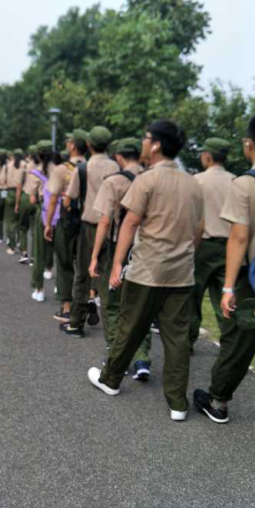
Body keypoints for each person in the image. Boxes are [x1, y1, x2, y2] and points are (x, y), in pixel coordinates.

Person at [194, 113, 255, 470]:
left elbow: (238, 238)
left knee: (238, 345)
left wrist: (227, 287)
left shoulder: (245, 183)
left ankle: (218, 402)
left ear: (248, 144)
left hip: (254, 282)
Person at [88, 120, 204, 422]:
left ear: (156, 146)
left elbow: (130, 222)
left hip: (147, 271)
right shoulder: (193, 183)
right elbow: (199, 229)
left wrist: (117, 262)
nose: (142, 142)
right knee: (177, 339)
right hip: (181, 273)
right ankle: (178, 403)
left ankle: (111, 379)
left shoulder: (147, 180)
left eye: (146, 137)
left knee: (130, 327)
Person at [89, 138, 152, 380]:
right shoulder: (152, 179)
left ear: (118, 157)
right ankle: (142, 358)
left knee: (113, 303)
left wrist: (94, 256)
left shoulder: (113, 182)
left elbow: (104, 221)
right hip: (146, 247)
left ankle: (118, 357)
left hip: (118, 247)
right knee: (140, 306)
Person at [60, 126, 119, 337]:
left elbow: (69, 199)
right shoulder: (117, 167)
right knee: (108, 277)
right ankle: (112, 334)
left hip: (89, 227)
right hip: (113, 227)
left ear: (89, 145)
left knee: (83, 275)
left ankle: (76, 322)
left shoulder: (83, 168)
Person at [189, 138, 235, 353]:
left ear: (207, 155)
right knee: (225, 299)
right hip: (229, 246)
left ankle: (187, 341)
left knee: (193, 297)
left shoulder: (196, 180)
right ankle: (230, 346)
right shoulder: (236, 181)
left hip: (202, 245)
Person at [44, 129, 88, 322]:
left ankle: (67, 307)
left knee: (64, 263)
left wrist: (48, 224)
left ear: (72, 146)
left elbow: (53, 199)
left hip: (68, 220)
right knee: (85, 264)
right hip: (89, 221)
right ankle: (86, 302)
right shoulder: (92, 167)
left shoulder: (62, 170)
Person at [29, 140, 56, 302]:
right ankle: (60, 286)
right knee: (60, 251)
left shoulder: (34, 173)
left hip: (44, 212)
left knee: (39, 251)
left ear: (38, 155)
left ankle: (39, 289)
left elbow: (32, 199)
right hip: (59, 214)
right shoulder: (62, 169)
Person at [16, 145, 39, 264]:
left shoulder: (25, 167)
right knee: (36, 229)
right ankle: (34, 257)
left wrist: (17, 203)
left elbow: (19, 186)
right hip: (38, 199)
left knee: (23, 227)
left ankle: (24, 252)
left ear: (29, 154)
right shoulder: (43, 166)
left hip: (26, 196)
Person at [5, 150, 26, 254]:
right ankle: (21, 244)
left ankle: (11, 247)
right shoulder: (24, 165)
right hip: (22, 193)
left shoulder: (8, 165)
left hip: (10, 193)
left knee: (10, 221)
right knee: (21, 221)